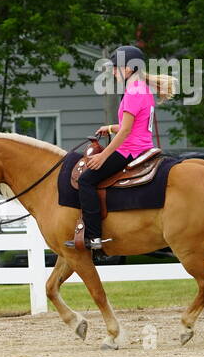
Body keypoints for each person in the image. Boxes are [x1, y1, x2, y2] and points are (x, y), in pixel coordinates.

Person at [66, 45, 159, 252]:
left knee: (86, 180)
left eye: (116, 68)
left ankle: (93, 236)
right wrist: (109, 127)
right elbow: (134, 125)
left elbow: (125, 131)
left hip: (129, 150)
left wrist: (103, 156)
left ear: (128, 69)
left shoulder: (133, 92)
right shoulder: (143, 89)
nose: (114, 72)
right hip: (143, 146)